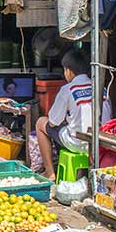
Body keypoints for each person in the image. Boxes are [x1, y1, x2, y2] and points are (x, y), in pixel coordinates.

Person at [36, 49, 92, 180]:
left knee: (40, 123)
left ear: (69, 71)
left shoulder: (68, 89)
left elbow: (53, 121)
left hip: (78, 142)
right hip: (99, 143)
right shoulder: (101, 88)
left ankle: (50, 173)